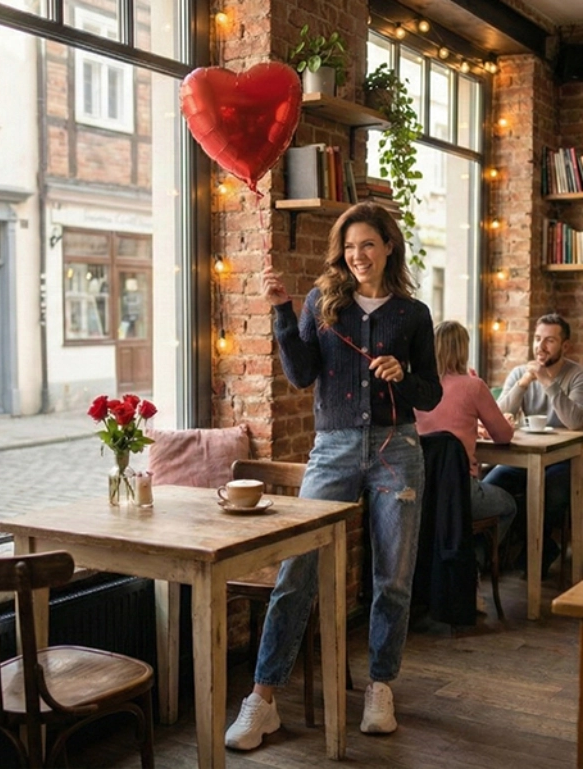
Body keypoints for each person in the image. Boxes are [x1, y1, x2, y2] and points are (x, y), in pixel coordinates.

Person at [225, 202, 442, 751]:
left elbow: (431, 394)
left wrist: (404, 375)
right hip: (334, 449)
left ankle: (380, 687)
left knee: (392, 578)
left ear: (388, 246)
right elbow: (301, 374)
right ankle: (263, 699)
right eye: (349, 247)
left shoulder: (413, 314)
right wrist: (281, 310)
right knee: (295, 572)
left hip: (398, 450)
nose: (358, 255)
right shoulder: (323, 303)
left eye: (367, 244)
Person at [414, 320, 518, 610]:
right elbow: (503, 435)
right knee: (509, 505)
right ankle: (472, 570)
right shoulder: (473, 386)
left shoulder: (417, 387)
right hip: (459, 493)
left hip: (420, 492)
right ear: (463, 350)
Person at [483, 313, 583, 577]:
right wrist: (524, 383)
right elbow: (496, 415)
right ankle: (487, 558)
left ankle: (538, 548)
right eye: (538, 339)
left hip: (565, 458)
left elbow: (575, 422)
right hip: (527, 457)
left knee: (552, 491)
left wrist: (547, 381)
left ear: (565, 346)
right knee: (491, 485)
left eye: (550, 340)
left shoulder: (577, 375)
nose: (541, 346)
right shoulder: (520, 372)